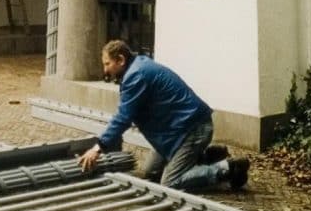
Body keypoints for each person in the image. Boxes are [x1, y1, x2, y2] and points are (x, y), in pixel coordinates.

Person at [78, 40, 249, 191]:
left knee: (170, 183)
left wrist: (98, 148)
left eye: (107, 64)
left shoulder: (136, 76)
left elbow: (123, 117)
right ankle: (208, 156)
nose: (105, 69)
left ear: (121, 60)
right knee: (151, 172)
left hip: (191, 129)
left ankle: (228, 168)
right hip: (178, 130)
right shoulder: (138, 66)